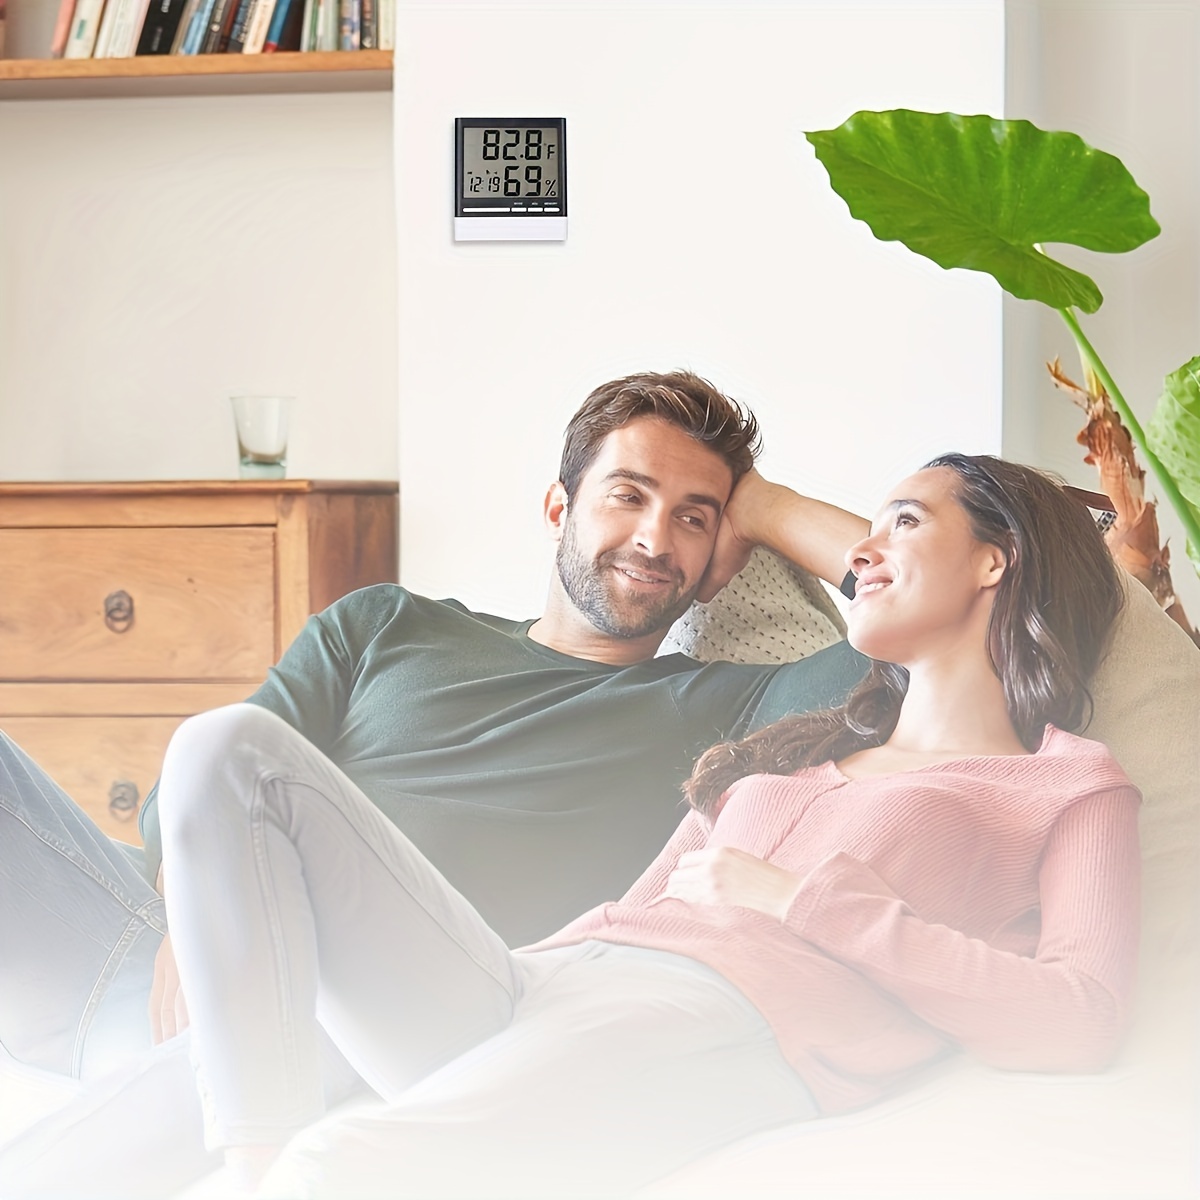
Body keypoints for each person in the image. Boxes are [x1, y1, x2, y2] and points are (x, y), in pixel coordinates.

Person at [149, 452, 1139, 1198]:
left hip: (722, 1020)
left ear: (994, 564)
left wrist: (807, 903)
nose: (865, 552)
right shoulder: (796, 744)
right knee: (227, 750)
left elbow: (1081, 1017)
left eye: (905, 523)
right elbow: (631, 914)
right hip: (550, 977)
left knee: (344, 1165)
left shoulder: (1063, 785)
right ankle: (254, 1152)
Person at [0, 371, 868, 1191]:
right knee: (213, 750)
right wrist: (188, 930)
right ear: (559, 507)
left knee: (227, 747)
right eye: (629, 495)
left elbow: (939, 624)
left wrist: (764, 503)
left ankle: (252, 1162)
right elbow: (195, 793)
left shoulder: (729, 705)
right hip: (160, 967)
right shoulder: (386, 623)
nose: (653, 538)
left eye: (694, 518)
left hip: (346, 1013)